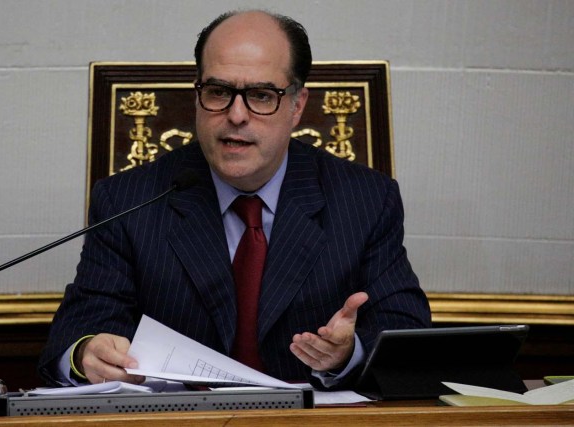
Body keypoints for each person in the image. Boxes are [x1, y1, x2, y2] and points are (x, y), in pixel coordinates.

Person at [38, 9, 431, 390]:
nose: (237, 115)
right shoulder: (128, 199)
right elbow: (77, 333)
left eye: (261, 95)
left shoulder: (365, 199)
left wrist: (349, 354)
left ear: (297, 106)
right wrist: (87, 353)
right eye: (219, 91)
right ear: (198, 95)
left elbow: (406, 333)